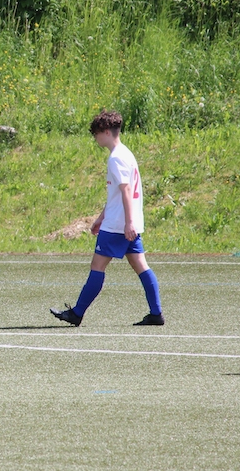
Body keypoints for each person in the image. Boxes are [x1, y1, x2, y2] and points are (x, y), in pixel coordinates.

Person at [51, 110, 164, 326]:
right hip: (123, 221)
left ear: (105, 132)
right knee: (140, 265)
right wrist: (101, 217)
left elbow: (126, 190)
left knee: (98, 265)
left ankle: (77, 313)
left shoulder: (116, 158)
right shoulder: (126, 153)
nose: (95, 138)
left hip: (118, 225)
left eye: (96, 133)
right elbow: (116, 195)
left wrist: (127, 222)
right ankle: (156, 313)